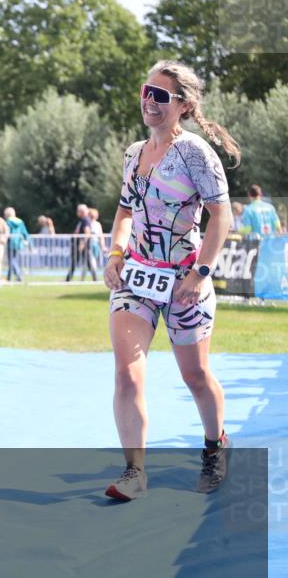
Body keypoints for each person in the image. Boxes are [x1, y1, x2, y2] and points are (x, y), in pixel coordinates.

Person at [103, 59, 239, 501]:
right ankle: (134, 471)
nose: (149, 101)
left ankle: (215, 444)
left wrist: (202, 272)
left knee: (196, 375)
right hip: (136, 276)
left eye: (160, 95)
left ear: (183, 104)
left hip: (185, 280)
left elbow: (222, 215)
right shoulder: (132, 152)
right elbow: (125, 211)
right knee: (127, 373)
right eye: (146, 91)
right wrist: (116, 252)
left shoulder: (196, 152)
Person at [64, 203, 96, 281]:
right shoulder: (84, 220)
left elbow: (87, 232)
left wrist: (82, 244)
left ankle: (95, 279)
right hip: (81, 245)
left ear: (81, 211)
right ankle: (68, 279)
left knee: (83, 262)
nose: (77, 212)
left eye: (78, 211)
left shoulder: (85, 220)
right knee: (78, 262)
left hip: (82, 246)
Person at [4, 206, 30, 282]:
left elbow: (6, 232)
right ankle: (8, 277)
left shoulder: (8, 222)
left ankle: (19, 276)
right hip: (18, 243)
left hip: (10, 243)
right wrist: (28, 242)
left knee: (12, 261)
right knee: (13, 260)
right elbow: (25, 233)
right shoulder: (20, 222)